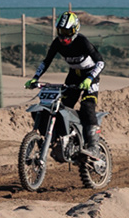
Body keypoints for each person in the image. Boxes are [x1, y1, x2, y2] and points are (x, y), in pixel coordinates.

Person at [26, 11, 105, 154]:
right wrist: (35, 78)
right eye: (60, 32)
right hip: (73, 76)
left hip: (90, 75)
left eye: (67, 32)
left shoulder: (82, 42)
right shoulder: (57, 43)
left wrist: (90, 78)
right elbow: (46, 61)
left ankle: (94, 146)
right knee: (63, 106)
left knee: (87, 106)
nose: (63, 36)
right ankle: (64, 138)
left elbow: (100, 62)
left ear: (75, 30)